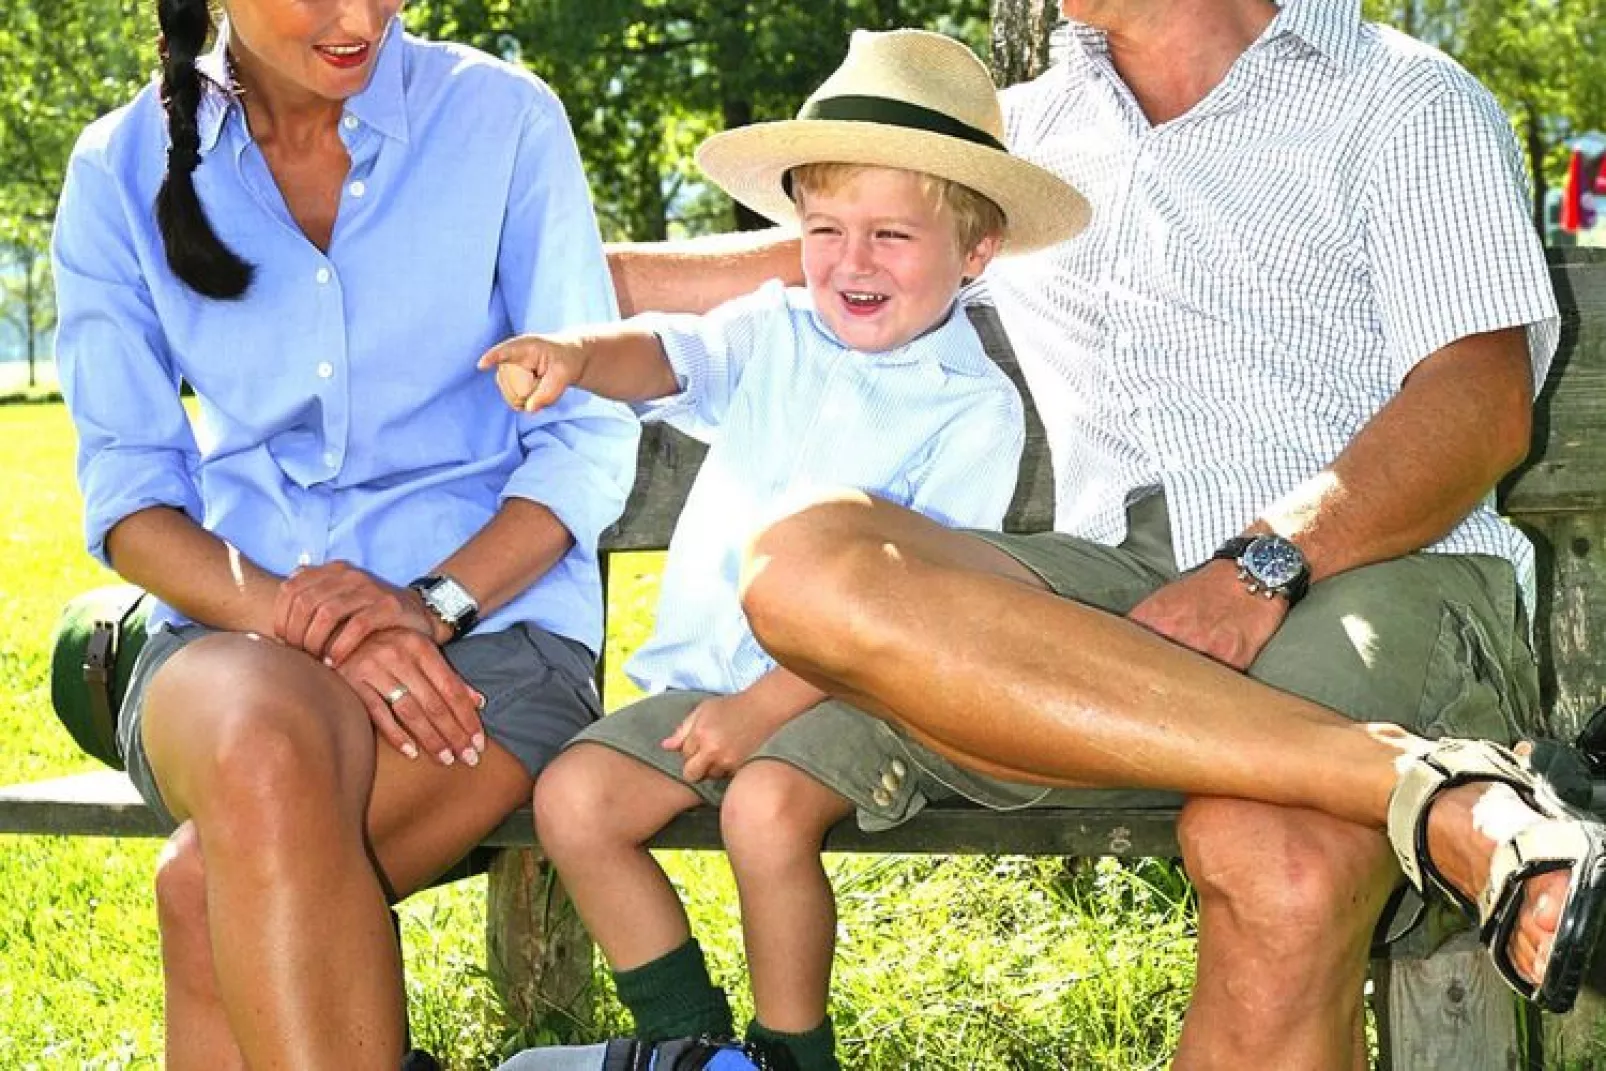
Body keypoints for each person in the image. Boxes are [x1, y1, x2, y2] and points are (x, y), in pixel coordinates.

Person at [608, 2, 1606, 1068]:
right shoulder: (1017, 139)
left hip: (1374, 564)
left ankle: (1405, 787)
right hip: (1112, 595)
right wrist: (483, 265)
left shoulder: (1403, 98)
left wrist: (1264, 561)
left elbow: (1477, 401)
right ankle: (1432, 791)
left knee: (1272, 849)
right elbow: (796, 256)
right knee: (804, 560)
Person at [480, 29, 1088, 1071]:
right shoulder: (774, 330)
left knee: (764, 810)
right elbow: (667, 358)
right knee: (574, 802)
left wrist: (762, 709)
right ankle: (691, 1045)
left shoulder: (970, 410)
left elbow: (916, 614)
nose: (850, 263)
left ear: (974, 252)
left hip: (869, 696)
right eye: (824, 229)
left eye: (891, 236)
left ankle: (793, 1054)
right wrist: (577, 354)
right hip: (706, 684)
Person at [49, 0, 636, 1067]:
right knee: (263, 743)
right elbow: (132, 500)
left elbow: (584, 439)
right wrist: (321, 623)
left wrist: (427, 606)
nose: (358, 16)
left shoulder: (501, 121)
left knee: (204, 889)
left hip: (493, 637)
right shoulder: (116, 167)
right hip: (233, 642)